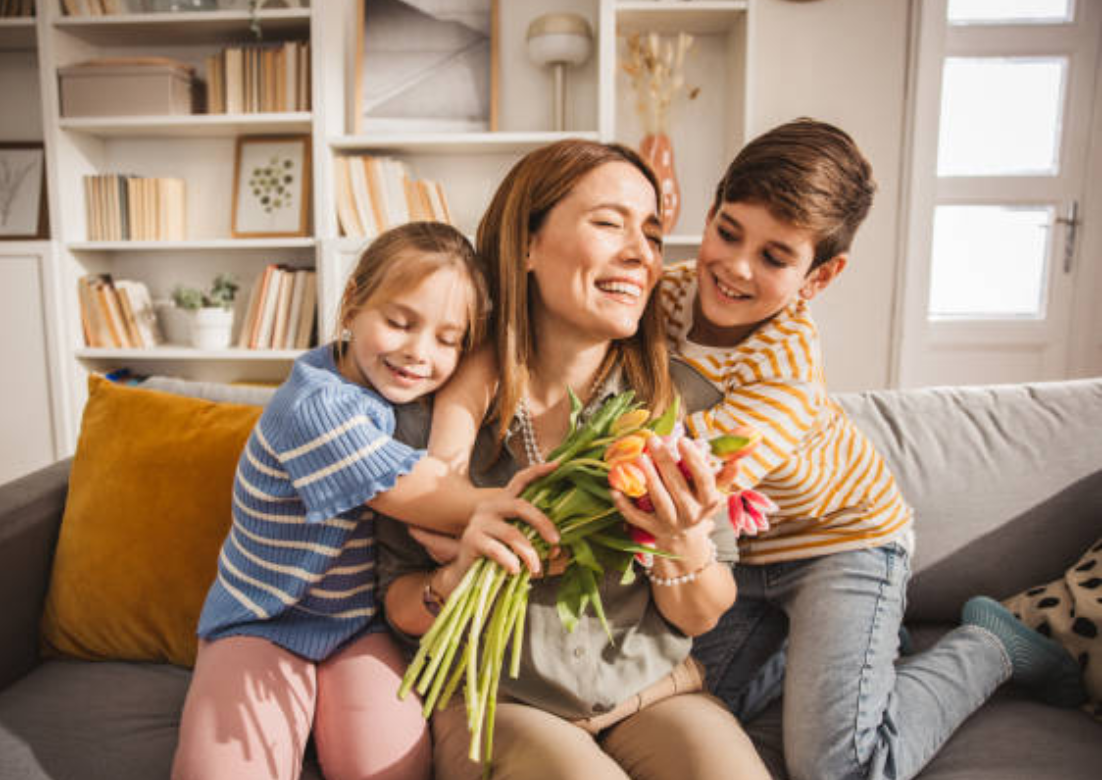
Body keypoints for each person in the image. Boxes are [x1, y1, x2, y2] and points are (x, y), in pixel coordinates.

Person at [659, 117, 1087, 780]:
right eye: (729, 231)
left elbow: (696, 467)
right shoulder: (671, 294)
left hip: (844, 543)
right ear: (711, 212)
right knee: (694, 709)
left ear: (820, 277)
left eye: (775, 257)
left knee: (846, 766)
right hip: (750, 562)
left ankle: (989, 647)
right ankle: (853, 654)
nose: (736, 267)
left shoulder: (789, 365)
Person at [376, 139, 772, 780]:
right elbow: (394, 599)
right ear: (526, 244)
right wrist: (451, 583)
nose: (641, 253)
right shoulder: (433, 404)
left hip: (652, 694)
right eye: (610, 223)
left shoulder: (665, 408)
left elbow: (702, 611)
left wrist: (680, 537)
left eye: (650, 232)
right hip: (497, 701)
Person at [173, 221, 499, 780]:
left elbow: (488, 359)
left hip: (356, 626)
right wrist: (517, 508)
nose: (419, 353)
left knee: (392, 763)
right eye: (400, 322)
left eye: (449, 340)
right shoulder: (315, 406)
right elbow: (427, 495)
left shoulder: (408, 402)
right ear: (352, 306)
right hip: (261, 619)